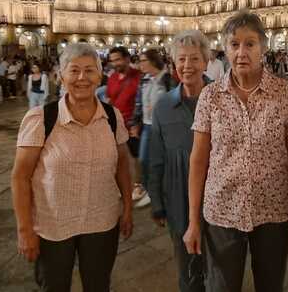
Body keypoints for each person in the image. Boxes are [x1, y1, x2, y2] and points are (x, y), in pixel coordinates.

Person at [183, 10, 288, 292]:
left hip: (274, 211)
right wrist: (193, 221)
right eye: (234, 44)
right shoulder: (210, 96)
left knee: (270, 284)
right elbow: (198, 160)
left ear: (263, 48)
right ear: (224, 49)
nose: (241, 52)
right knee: (221, 287)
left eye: (250, 44)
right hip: (222, 211)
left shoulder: (283, 92)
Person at [11, 43, 134, 292]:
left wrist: (128, 207)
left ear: (100, 76)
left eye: (89, 71)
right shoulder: (40, 119)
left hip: (102, 222)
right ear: (61, 76)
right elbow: (20, 177)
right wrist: (25, 229)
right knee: (54, 286)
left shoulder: (112, 117)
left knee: (98, 285)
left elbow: (122, 164)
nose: (82, 78)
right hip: (53, 226)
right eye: (74, 70)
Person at [148, 30, 211, 292]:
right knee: (186, 267)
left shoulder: (223, 99)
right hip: (177, 199)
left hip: (218, 197)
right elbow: (155, 158)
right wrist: (157, 203)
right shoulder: (163, 106)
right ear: (174, 64)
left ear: (206, 62)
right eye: (181, 60)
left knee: (220, 268)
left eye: (194, 59)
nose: (187, 66)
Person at [132, 49, 176, 209]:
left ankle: (158, 192)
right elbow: (139, 103)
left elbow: (174, 102)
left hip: (163, 127)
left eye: (143, 61)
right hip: (147, 125)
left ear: (152, 61)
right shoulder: (144, 80)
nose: (140, 64)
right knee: (143, 159)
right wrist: (135, 123)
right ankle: (149, 189)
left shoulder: (166, 79)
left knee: (160, 161)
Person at [106, 47, 146, 204]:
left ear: (127, 59)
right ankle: (120, 185)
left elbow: (143, 103)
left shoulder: (139, 77)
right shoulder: (112, 78)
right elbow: (110, 99)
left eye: (118, 59)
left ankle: (138, 185)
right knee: (116, 157)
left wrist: (138, 123)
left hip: (132, 124)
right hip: (115, 123)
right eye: (112, 60)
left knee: (135, 157)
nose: (115, 63)